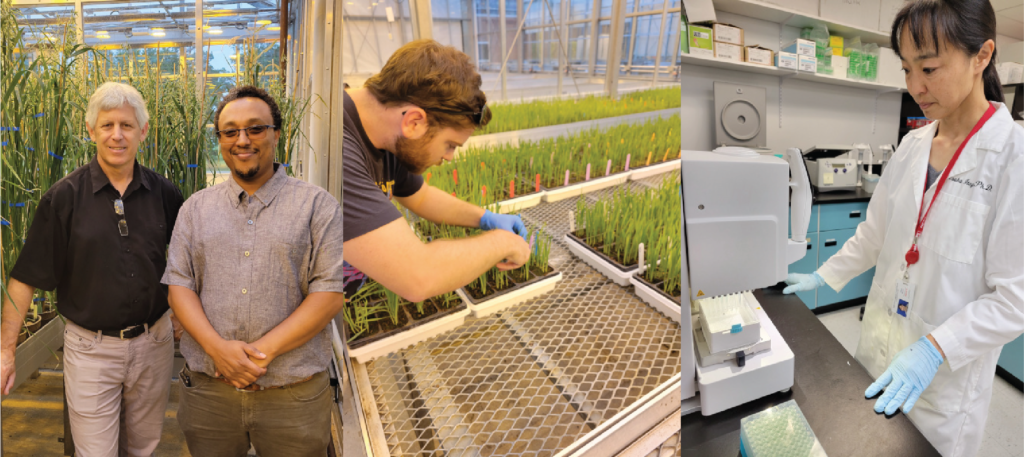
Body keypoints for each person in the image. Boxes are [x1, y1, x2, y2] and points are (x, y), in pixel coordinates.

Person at [783, 0, 1023, 455]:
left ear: (982, 56)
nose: (916, 86)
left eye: (929, 68)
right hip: (875, 353)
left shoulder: (1014, 158)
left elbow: (1014, 299)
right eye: (907, 69)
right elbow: (873, 236)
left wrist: (934, 349)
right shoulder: (913, 145)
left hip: (944, 389)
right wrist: (822, 276)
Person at [0, 82, 184, 456]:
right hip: (91, 348)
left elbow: (186, 263)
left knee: (144, 447)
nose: (117, 135)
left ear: (143, 131)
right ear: (91, 130)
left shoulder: (165, 194)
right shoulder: (64, 198)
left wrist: (182, 321)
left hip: (154, 343)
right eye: (107, 125)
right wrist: (5, 351)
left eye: (127, 125)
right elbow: (25, 277)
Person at [162, 85, 344, 456]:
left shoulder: (317, 206)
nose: (242, 140)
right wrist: (219, 352)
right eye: (230, 132)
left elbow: (329, 294)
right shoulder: (195, 209)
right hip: (210, 394)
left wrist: (256, 356)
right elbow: (179, 287)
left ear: (277, 134)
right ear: (220, 141)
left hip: (292, 398)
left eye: (255, 128)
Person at [343, 39, 531, 301]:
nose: (450, 157)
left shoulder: (388, 132)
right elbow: (417, 276)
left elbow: (420, 197)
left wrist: (484, 218)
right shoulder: (335, 150)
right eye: (450, 144)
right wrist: (504, 243)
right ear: (415, 121)